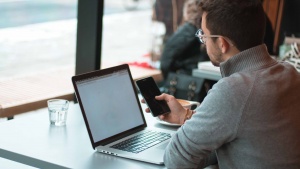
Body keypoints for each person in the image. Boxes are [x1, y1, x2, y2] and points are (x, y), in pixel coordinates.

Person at [142, 0, 300, 168]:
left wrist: (190, 130)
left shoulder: (234, 90)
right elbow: (238, 134)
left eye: (204, 35)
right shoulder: (290, 73)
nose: (202, 40)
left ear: (222, 44)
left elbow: (175, 160)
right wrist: (185, 116)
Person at [160, 0, 209, 79]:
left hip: (189, 78)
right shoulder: (200, 31)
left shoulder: (189, 30)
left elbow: (166, 61)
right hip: (194, 77)